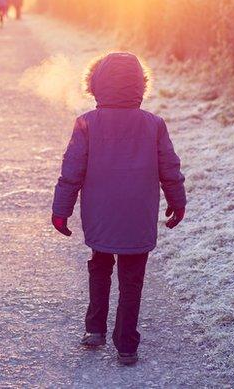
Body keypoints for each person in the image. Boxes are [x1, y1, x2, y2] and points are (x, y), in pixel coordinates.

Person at [50, 52, 187, 366]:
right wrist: (177, 202)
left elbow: (72, 170)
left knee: (100, 264)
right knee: (132, 276)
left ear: (96, 85)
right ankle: (126, 343)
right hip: (137, 216)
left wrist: (62, 209)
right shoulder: (154, 124)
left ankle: (95, 328)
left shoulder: (87, 123)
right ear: (140, 86)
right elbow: (170, 168)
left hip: (100, 214)